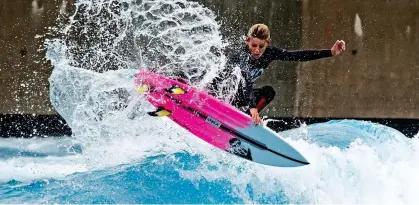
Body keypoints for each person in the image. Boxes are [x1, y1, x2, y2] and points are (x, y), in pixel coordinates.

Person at [209, 24, 346, 124]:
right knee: (237, 85)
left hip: (239, 97)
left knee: (269, 92)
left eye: (261, 46)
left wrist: (330, 52)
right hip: (220, 92)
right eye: (253, 45)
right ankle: (246, 115)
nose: (256, 51)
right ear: (247, 41)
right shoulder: (241, 53)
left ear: (268, 43)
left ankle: (243, 123)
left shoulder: (270, 52)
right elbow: (246, 78)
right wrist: (252, 106)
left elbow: (298, 55)